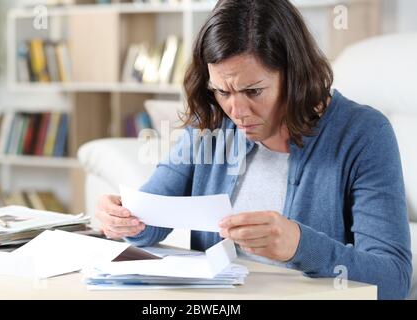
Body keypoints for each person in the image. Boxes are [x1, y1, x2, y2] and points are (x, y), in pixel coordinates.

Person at [95, 0, 412, 299]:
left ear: (295, 75)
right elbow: (151, 216)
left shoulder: (363, 134)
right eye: (222, 91)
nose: (236, 110)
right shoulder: (212, 123)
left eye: (253, 91)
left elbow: (394, 280)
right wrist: (124, 218)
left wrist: (300, 245)